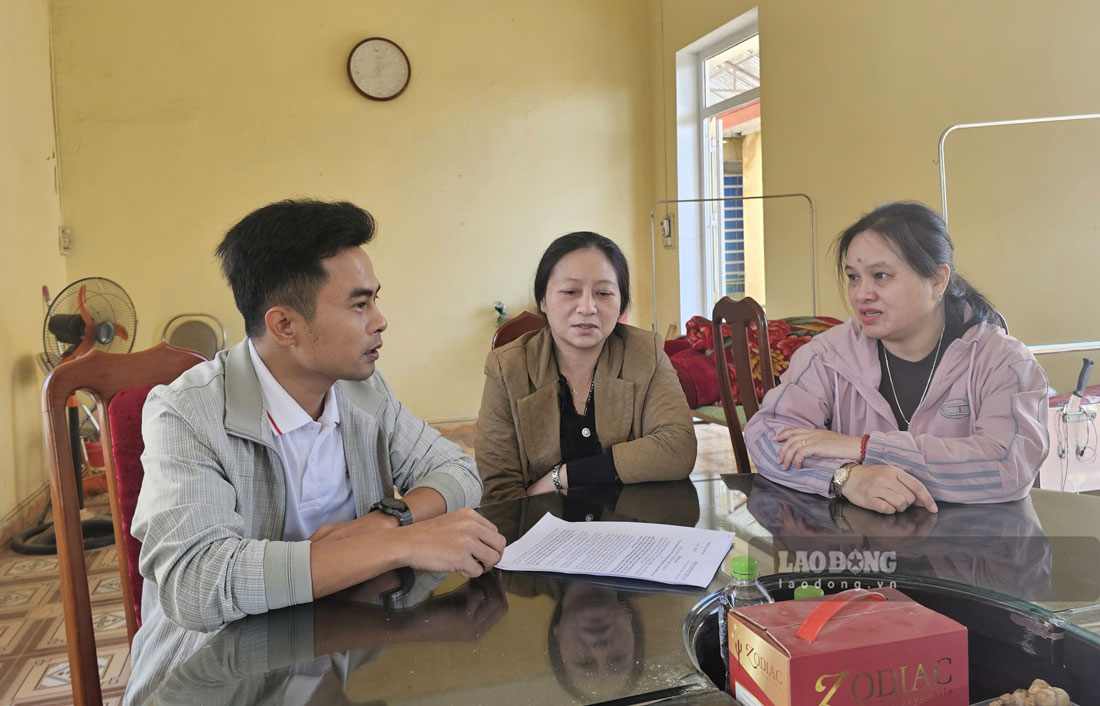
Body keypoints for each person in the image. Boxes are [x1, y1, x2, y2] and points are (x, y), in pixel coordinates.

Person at [132, 199, 506, 633]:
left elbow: (457, 470)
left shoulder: (362, 390)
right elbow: (197, 583)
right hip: (222, 669)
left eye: (375, 301)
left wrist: (384, 522)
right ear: (284, 326)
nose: (381, 321)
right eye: (359, 305)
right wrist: (398, 544)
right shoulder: (187, 412)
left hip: (340, 647)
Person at [743, 201, 1049, 513]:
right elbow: (767, 436)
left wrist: (863, 448)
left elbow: (1008, 465)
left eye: (881, 275)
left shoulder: (1003, 362)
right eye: (853, 277)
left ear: (937, 280)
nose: (862, 294)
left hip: (974, 551)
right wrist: (846, 477)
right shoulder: (826, 356)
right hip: (864, 552)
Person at [475, 231, 696, 503]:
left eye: (603, 293)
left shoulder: (645, 353)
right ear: (543, 300)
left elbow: (679, 448)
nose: (587, 307)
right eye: (570, 292)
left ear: (621, 305)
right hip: (542, 536)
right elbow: (500, 491)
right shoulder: (507, 368)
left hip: (630, 529)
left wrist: (564, 476)